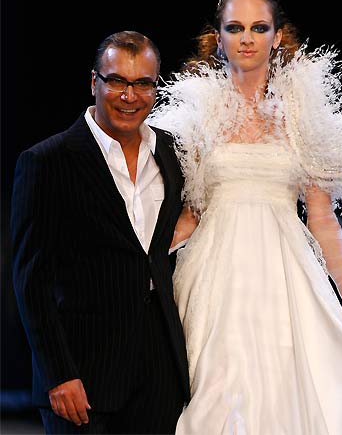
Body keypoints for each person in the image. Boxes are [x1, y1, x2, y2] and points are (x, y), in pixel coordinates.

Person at [148, 0, 342, 434]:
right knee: (215, 397)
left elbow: (322, 221)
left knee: (288, 400)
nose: (247, 38)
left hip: (286, 279)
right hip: (214, 278)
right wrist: (141, 268)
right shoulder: (197, 112)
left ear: (277, 35)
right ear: (219, 37)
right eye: (236, 27)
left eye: (258, 27)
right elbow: (188, 214)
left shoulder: (301, 113)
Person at [10, 30, 193, 434]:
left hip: (159, 373)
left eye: (143, 83)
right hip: (82, 375)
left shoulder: (172, 153)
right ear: (95, 82)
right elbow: (31, 281)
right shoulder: (47, 161)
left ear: (155, 88)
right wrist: (58, 374)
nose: (130, 95)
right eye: (117, 81)